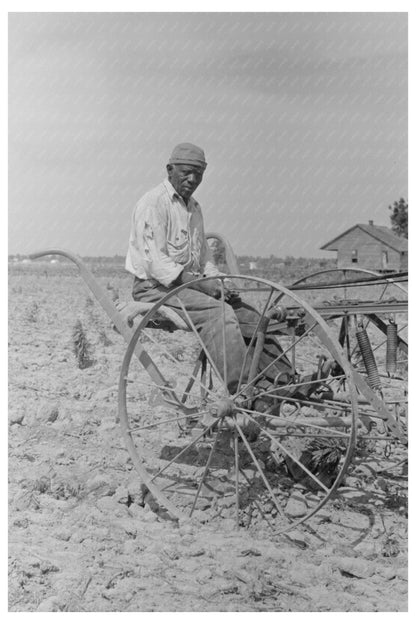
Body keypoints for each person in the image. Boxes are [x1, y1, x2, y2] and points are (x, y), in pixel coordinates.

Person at [126, 142, 292, 397]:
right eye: (186, 172)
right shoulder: (153, 204)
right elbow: (156, 264)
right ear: (169, 170)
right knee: (219, 313)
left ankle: (284, 381)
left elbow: (204, 257)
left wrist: (218, 284)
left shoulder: (194, 208)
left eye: (199, 174)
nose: (193, 179)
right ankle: (245, 391)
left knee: (253, 317)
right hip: (154, 288)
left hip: (188, 287)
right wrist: (203, 285)